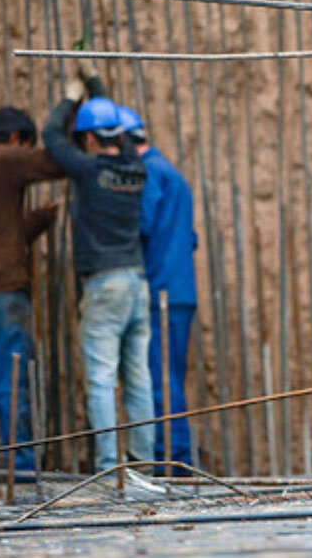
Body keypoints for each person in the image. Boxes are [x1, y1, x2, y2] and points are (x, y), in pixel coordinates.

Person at [42, 59, 154, 473]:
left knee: (102, 379)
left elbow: (51, 136)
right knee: (138, 378)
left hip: (105, 285)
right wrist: (94, 82)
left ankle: (110, 467)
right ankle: (142, 463)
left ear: (88, 137)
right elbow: (116, 131)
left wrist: (73, 93)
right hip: (136, 283)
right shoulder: (135, 168)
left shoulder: (89, 171)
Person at [0, 107, 64, 474]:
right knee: (14, 380)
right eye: (26, 146)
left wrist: (40, 219)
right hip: (4, 289)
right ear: (16, 139)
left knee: (2, 379)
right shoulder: (5, 160)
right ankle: (19, 468)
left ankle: (14, 464)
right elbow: (54, 163)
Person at [117, 105, 198, 471]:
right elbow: (190, 238)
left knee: (160, 379)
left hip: (160, 291)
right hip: (181, 289)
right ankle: (175, 458)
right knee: (171, 376)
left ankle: (172, 461)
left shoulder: (147, 172)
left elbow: (142, 223)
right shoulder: (173, 174)